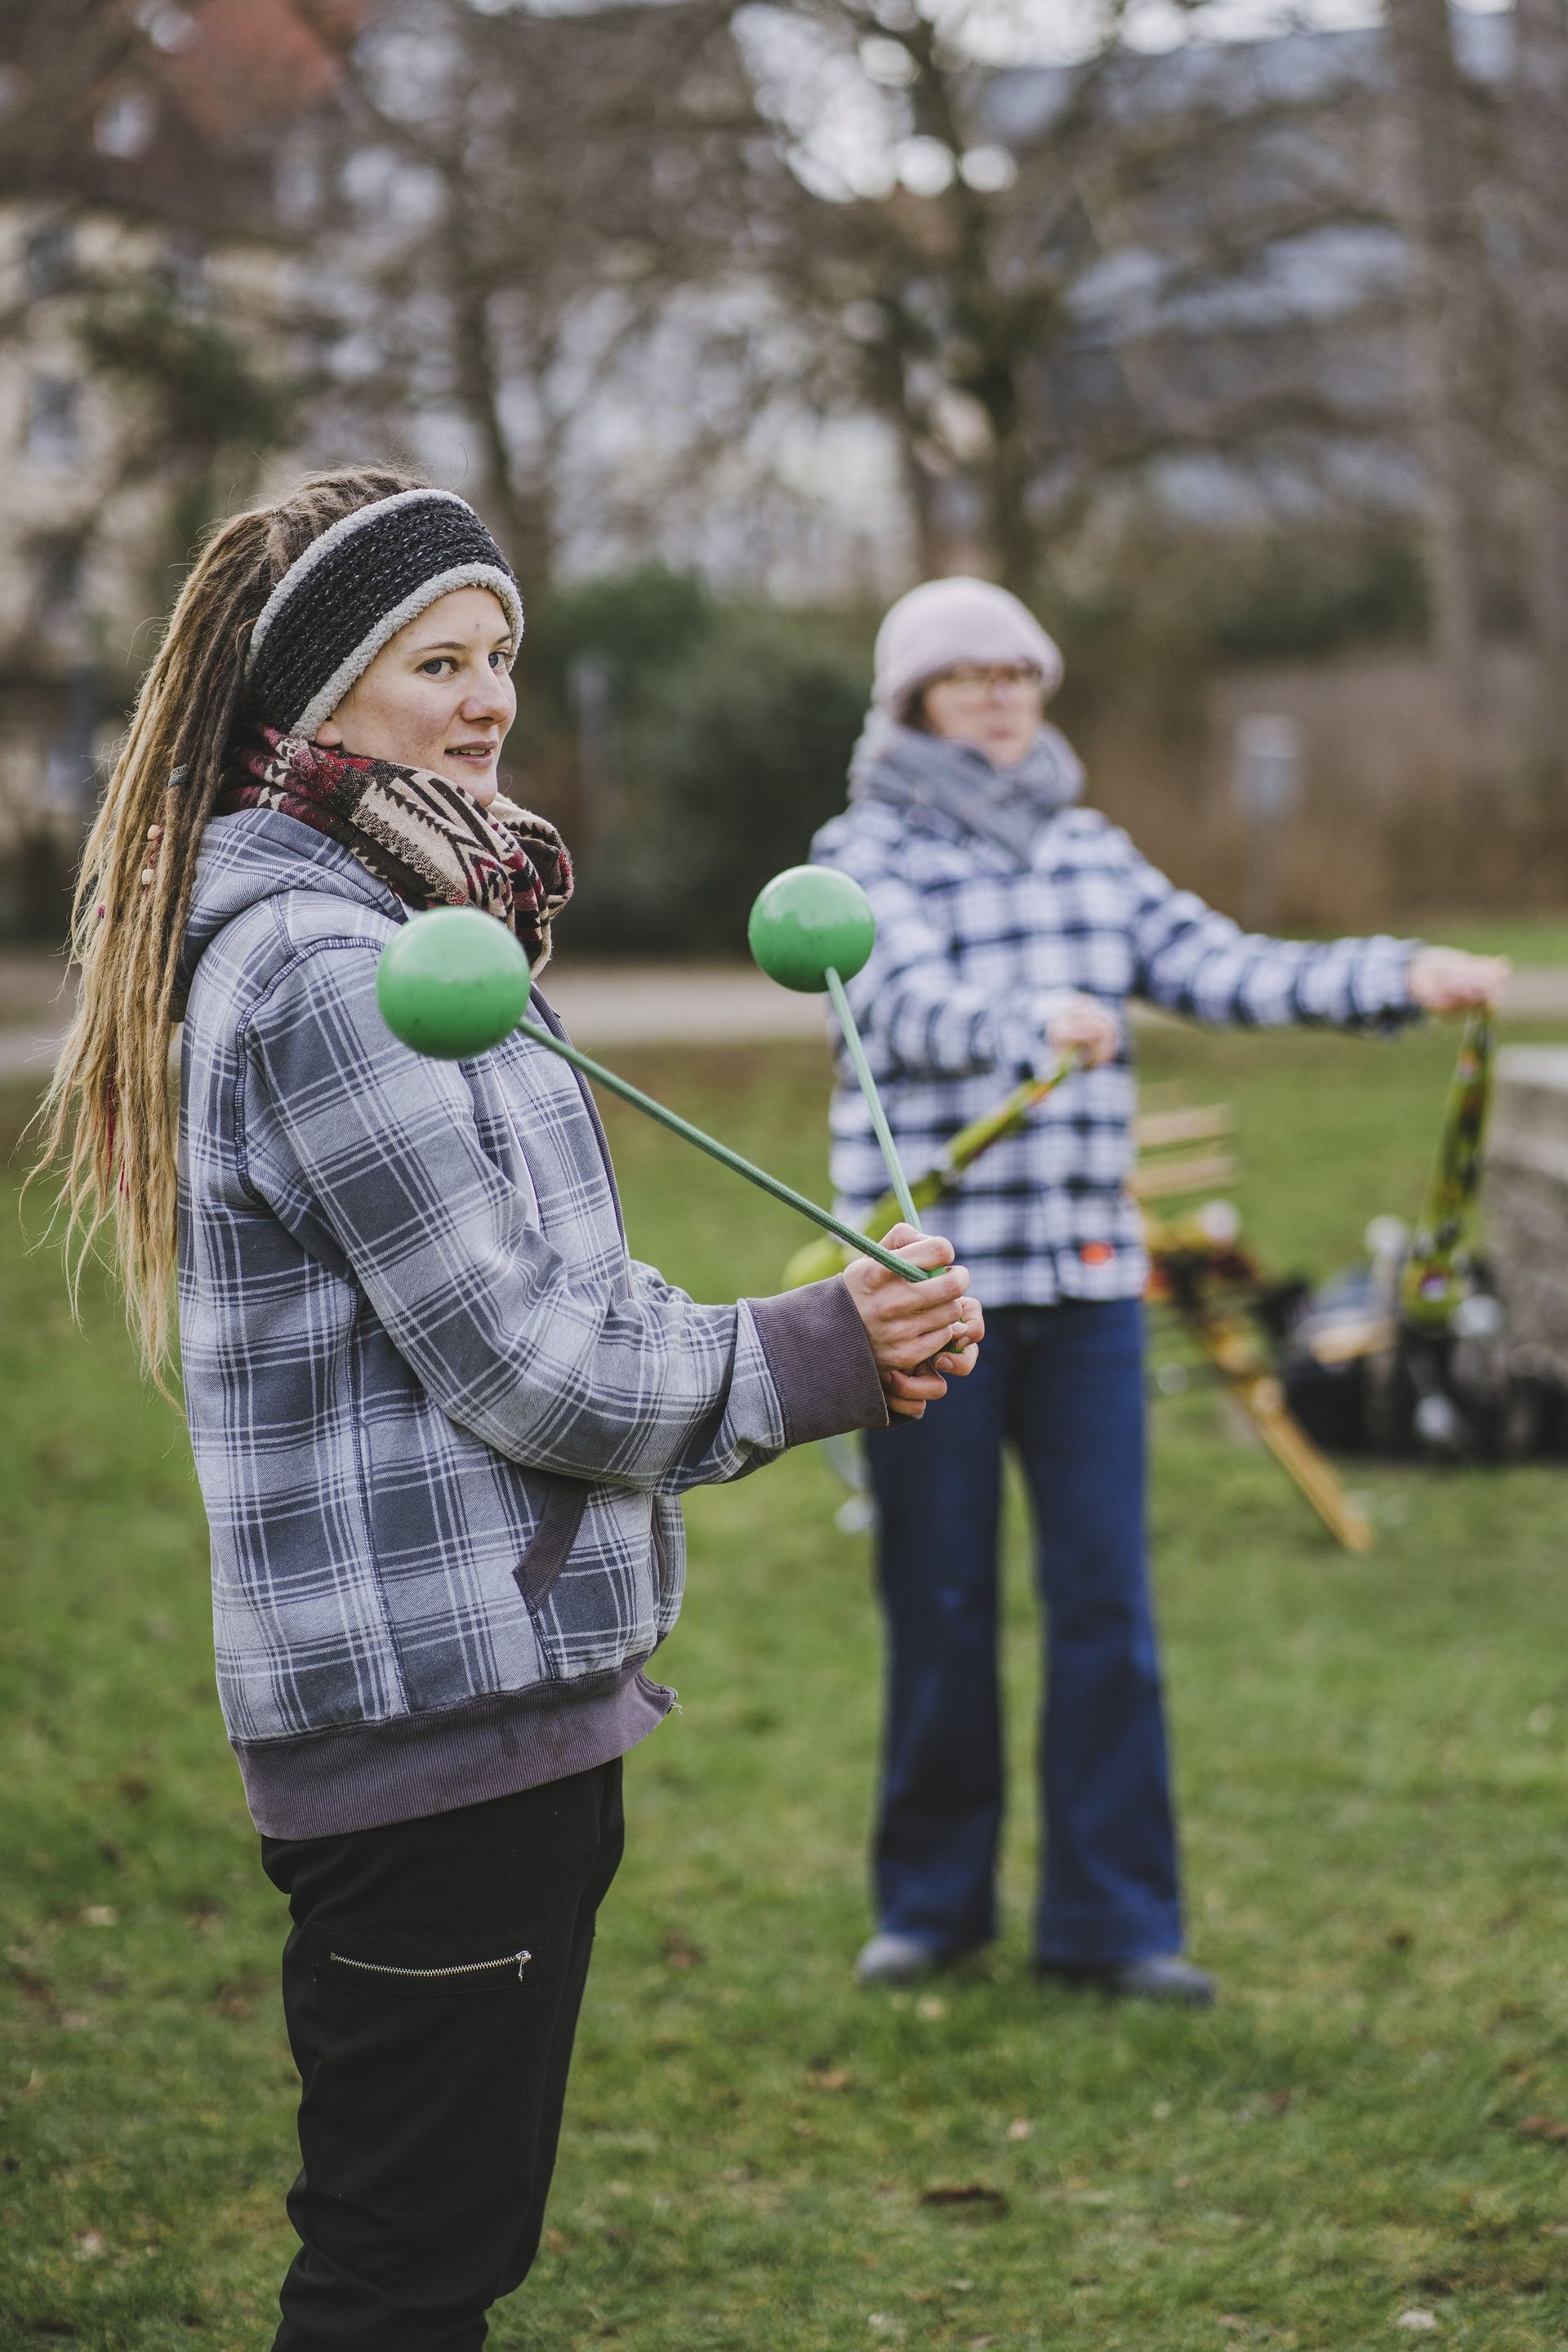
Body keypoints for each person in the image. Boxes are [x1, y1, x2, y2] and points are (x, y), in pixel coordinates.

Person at [34, 469, 984, 2350]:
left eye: (500, 659)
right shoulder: (334, 969)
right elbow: (527, 1358)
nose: (484, 702)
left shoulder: (422, 923)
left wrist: (814, 1324)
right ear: (309, 700)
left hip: (499, 1707)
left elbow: (575, 1285)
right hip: (430, 1727)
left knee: (441, 2261)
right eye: (431, 661)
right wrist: (817, 1355)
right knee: (403, 2279)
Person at [811, 574, 1508, 2005]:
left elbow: (1223, 966)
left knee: (1105, 1607)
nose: (1002, 697)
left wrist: (1399, 975)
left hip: (1086, 1292)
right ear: (914, 703)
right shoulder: (861, 856)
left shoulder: (1089, 851)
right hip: (928, 1295)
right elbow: (900, 1001)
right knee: (938, 1599)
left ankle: (1115, 1923)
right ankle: (931, 1907)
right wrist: (1029, 1026)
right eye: (971, 677)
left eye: (1020, 674)